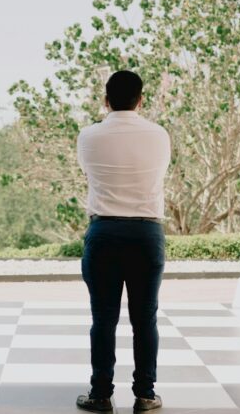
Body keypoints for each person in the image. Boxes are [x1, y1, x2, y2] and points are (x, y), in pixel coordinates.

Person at [75, 70, 171, 413]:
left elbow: (88, 172)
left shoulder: (89, 136)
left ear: (106, 99)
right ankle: (145, 394)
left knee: (103, 319)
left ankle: (100, 393)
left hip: (104, 232)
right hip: (146, 234)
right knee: (145, 319)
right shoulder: (159, 135)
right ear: (141, 99)